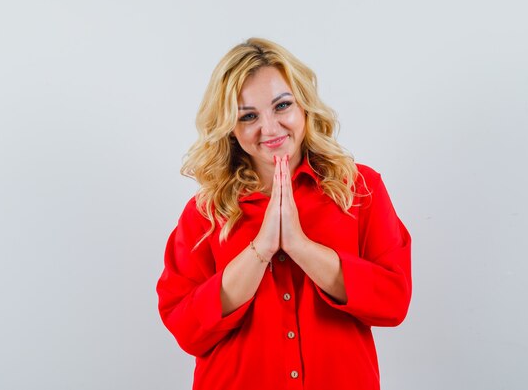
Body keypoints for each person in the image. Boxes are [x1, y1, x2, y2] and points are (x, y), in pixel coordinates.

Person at [156, 38, 412, 390]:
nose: (271, 128)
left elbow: (393, 301)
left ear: (304, 105)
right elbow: (187, 331)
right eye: (248, 116)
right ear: (230, 127)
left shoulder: (360, 188)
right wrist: (260, 250)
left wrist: (300, 246)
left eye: (282, 106)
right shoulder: (206, 213)